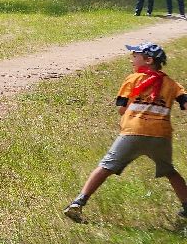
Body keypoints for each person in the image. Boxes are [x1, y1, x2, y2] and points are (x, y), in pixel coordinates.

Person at [64, 42, 187, 224]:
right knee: (170, 171)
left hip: (133, 132)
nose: (132, 59)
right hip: (160, 135)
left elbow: (121, 108)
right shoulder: (172, 84)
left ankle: (78, 202)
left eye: (135, 56)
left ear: (148, 60)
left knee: (105, 166)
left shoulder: (133, 79)